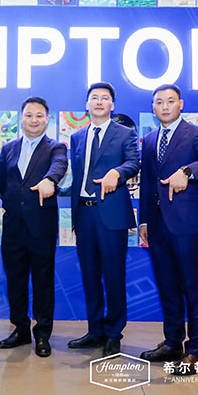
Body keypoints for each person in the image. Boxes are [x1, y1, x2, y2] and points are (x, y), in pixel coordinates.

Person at [138, 84, 198, 375]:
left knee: (191, 287)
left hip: (186, 225)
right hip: (158, 226)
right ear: (153, 107)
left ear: (180, 104)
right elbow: (147, 184)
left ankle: (196, 351)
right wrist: (144, 221)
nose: (165, 106)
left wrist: (186, 172)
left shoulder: (196, 133)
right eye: (159, 102)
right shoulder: (149, 140)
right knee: (167, 287)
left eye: (170, 101)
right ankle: (172, 343)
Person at [68, 82, 140, 357]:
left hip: (111, 215)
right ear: (87, 105)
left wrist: (117, 173)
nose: (99, 102)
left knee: (113, 276)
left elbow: (134, 162)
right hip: (84, 213)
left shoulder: (125, 133)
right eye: (94, 98)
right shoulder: (77, 137)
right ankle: (95, 330)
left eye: (105, 98)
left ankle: (113, 333)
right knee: (90, 276)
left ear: (112, 105)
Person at [0, 96, 67, 357]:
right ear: (21, 118)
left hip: (41, 227)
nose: (33, 120)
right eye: (28, 115)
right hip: (13, 226)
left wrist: (50, 180)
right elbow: (0, 182)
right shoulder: (9, 148)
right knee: (15, 280)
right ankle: (21, 329)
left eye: (39, 115)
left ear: (47, 119)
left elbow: (59, 166)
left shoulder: (56, 147)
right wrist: (15, 202)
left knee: (43, 282)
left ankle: (43, 333)